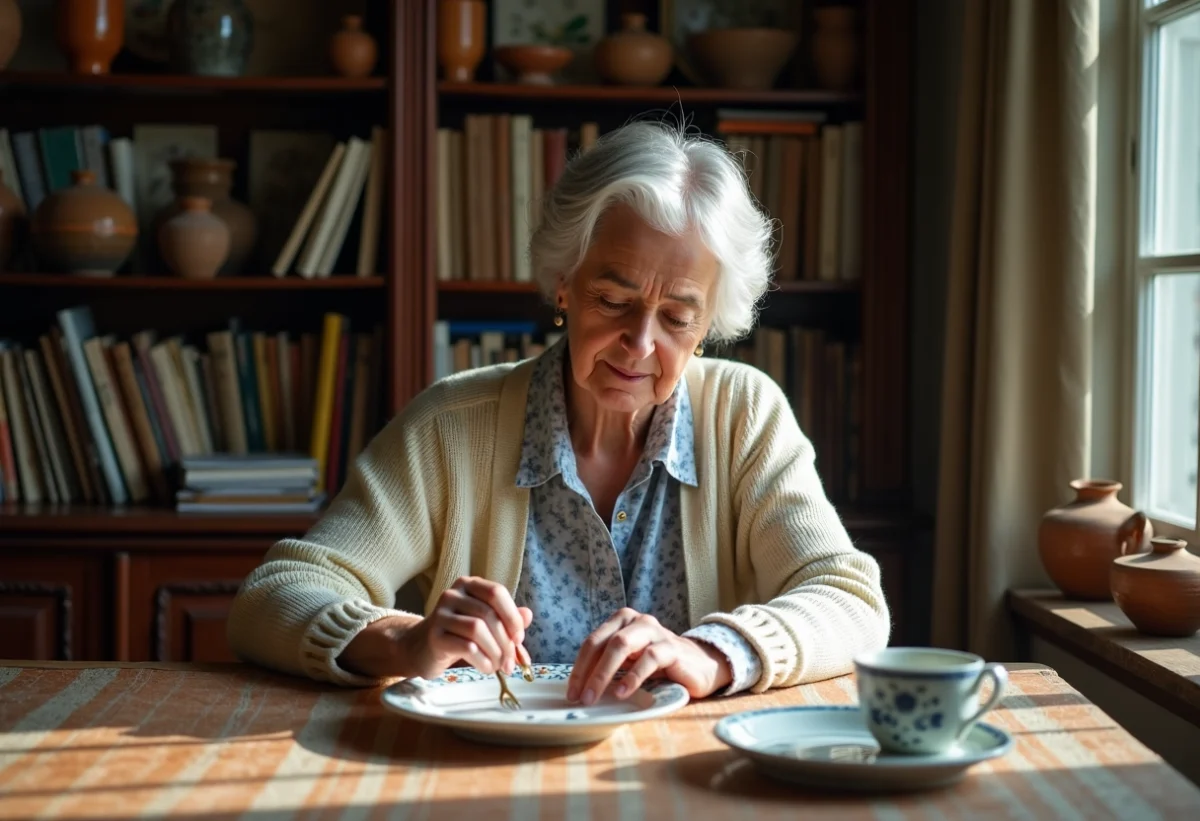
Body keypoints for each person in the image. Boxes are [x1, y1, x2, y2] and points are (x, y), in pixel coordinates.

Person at [227, 120, 890, 704]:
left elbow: (851, 600)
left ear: (709, 322)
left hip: (682, 774)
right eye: (613, 300)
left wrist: (712, 653)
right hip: (480, 774)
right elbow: (273, 595)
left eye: (677, 316)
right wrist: (408, 641)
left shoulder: (744, 416)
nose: (641, 342)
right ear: (565, 283)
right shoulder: (452, 426)